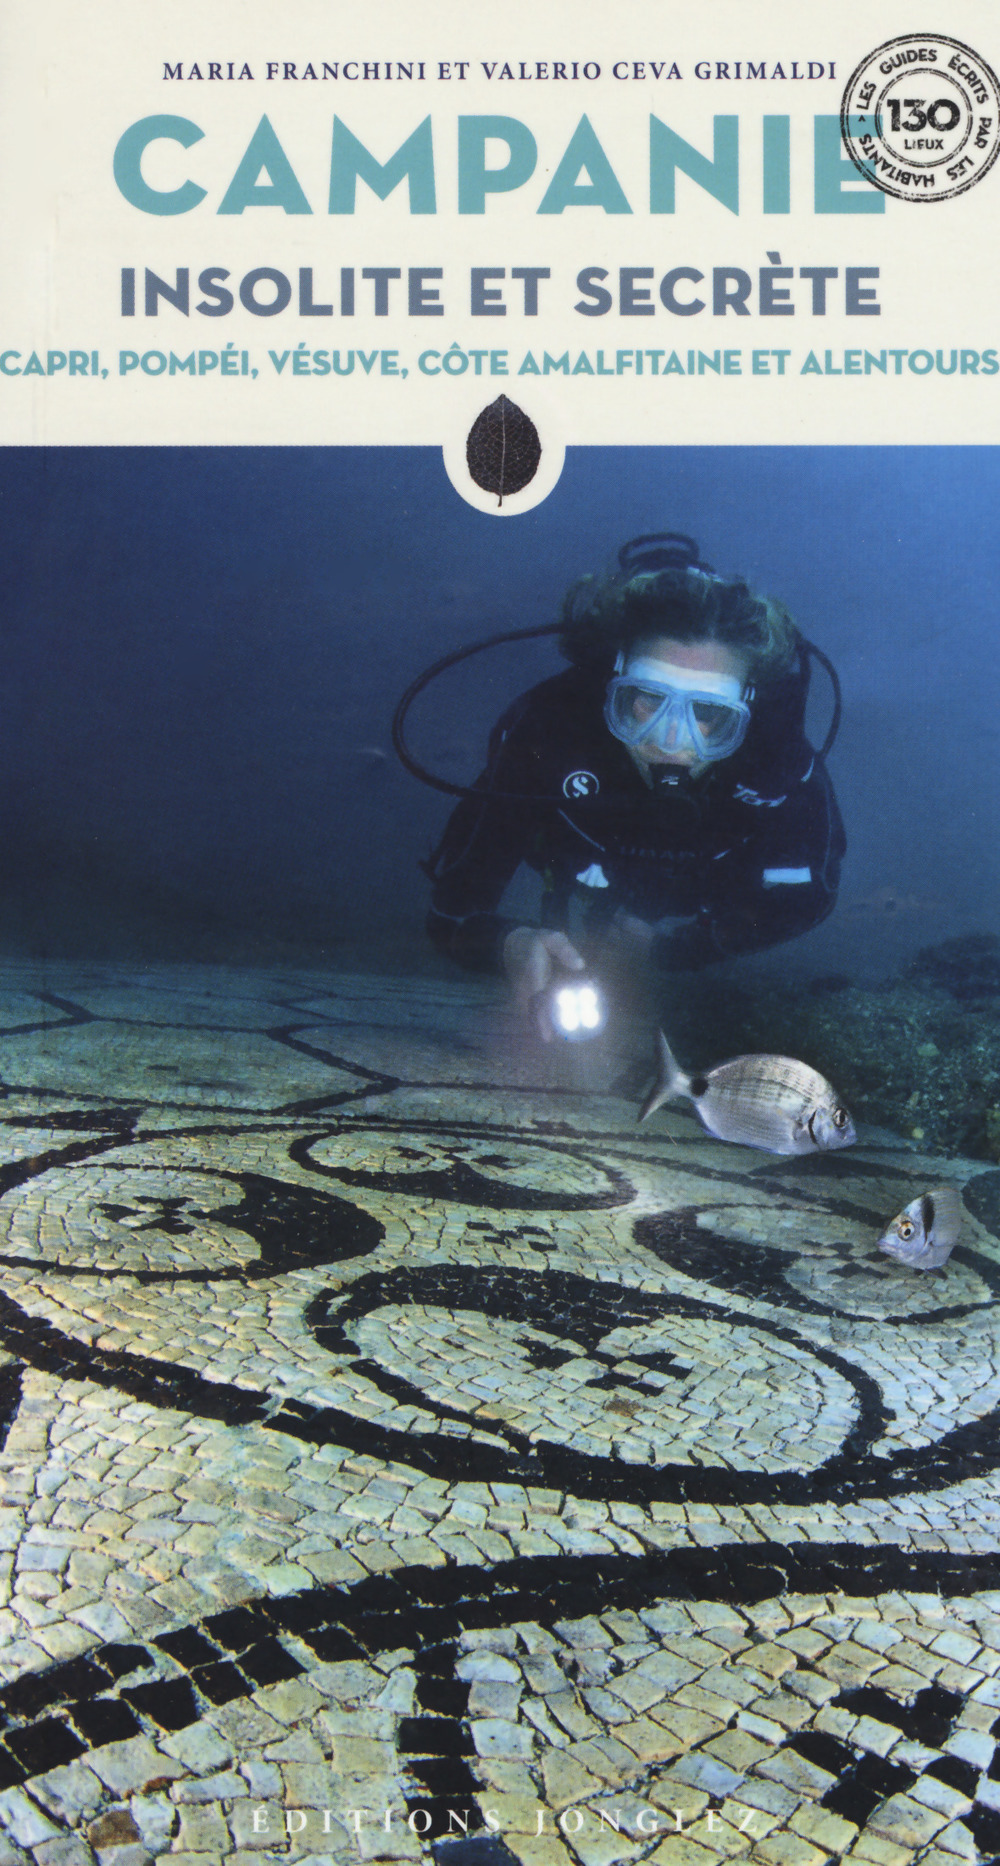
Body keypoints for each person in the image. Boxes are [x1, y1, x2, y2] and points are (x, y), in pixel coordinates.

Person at [425, 534, 845, 1034]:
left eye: (708, 714)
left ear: (747, 715)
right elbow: (453, 904)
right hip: (578, 861)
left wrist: (676, 950)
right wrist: (507, 944)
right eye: (646, 700)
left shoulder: (779, 767)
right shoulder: (547, 735)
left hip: (695, 894)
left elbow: (804, 899)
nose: (669, 740)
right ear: (612, 688)